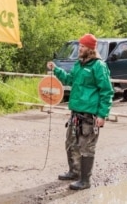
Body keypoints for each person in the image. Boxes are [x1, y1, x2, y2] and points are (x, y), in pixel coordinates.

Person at [47, 33, 114, 191]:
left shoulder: (99, 66)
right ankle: (74, 172)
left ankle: (85, 180)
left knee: (86, 147)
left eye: (82, 46)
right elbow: (70, 80)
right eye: (80, 46)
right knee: (71, 143)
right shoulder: (79, 65)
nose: (79, 49)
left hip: (90, 115)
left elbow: (107, 91)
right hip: (76, 113)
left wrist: (102, 115)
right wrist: (56, 70)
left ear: (90, 49)